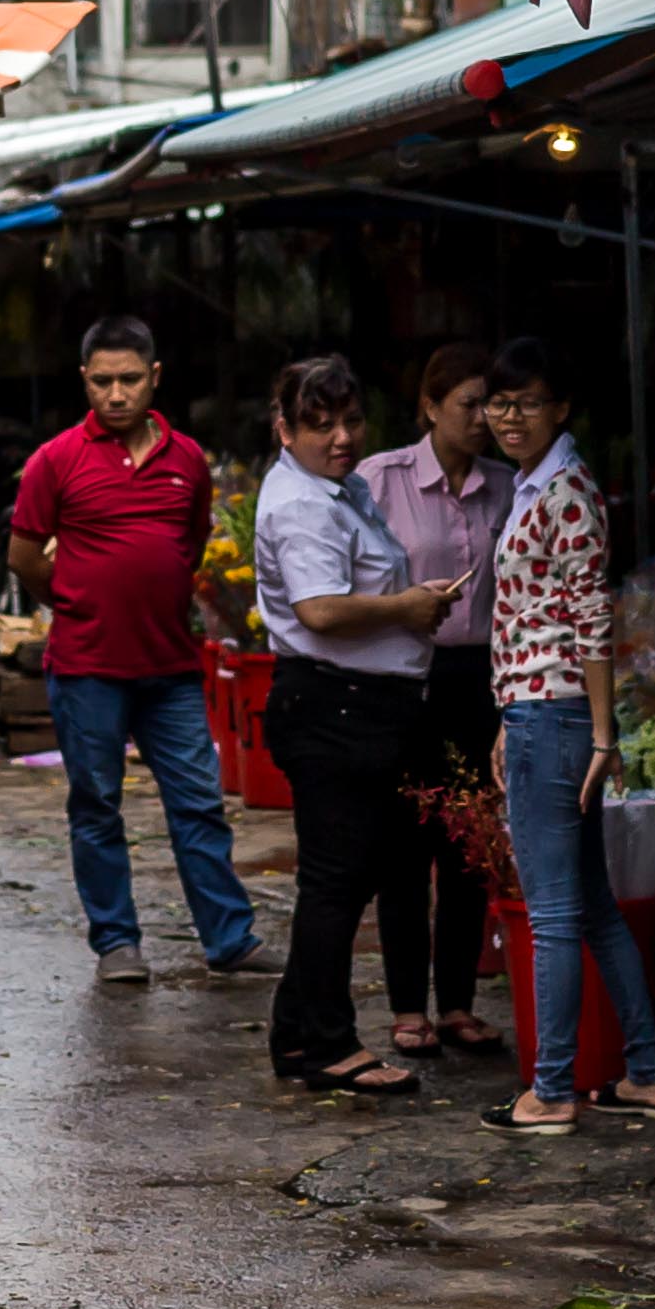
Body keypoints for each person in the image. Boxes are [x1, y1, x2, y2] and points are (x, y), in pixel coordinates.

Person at [6, 312, 257, 983]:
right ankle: (117, 943)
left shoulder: (188, 460)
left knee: (199, 804)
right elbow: (25, 557)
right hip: (87, 668)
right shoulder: (53, 461)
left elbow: (191, 544)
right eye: (102, 382)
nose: (116, 395)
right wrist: (77, 601)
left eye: (128, 380)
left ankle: (230, 940)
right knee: (96, 806)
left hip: (172, 666)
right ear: (84, 382)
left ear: (154, 378)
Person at [252, 353, 461, 1095]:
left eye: (350, 421)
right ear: (285, 429)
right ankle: (331, 1045)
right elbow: (320, 610)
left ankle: (296, 1036)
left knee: (344, 877)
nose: (341, 437)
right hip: (334, 707)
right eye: (320, 425)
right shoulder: (302, 504)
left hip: (358, 705)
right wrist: (407, 608)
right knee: (336, 883)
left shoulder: (337, 490)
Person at [481, 342, 655, 1131]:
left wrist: (600, 734)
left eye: (526, 402)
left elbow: (593, 621)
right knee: (590, 908)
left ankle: (550, 1089)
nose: (509, 416)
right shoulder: (540, 486)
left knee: (553, 913)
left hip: (555, 720)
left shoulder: (564, 491)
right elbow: (538, 617)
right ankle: (647, 1075)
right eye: (498, 402)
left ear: (559, 409)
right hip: (538, 712)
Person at [356, 341, 510, 1059]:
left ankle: (456, 1003)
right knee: (402, 846)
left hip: (479, 678)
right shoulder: (379, 480)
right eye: (468, 405)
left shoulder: (506, 487)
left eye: (493, 405)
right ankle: (406, 1007)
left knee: (468, 848)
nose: (483, 419)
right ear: (429, 407)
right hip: (402, 674)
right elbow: (350, 576)